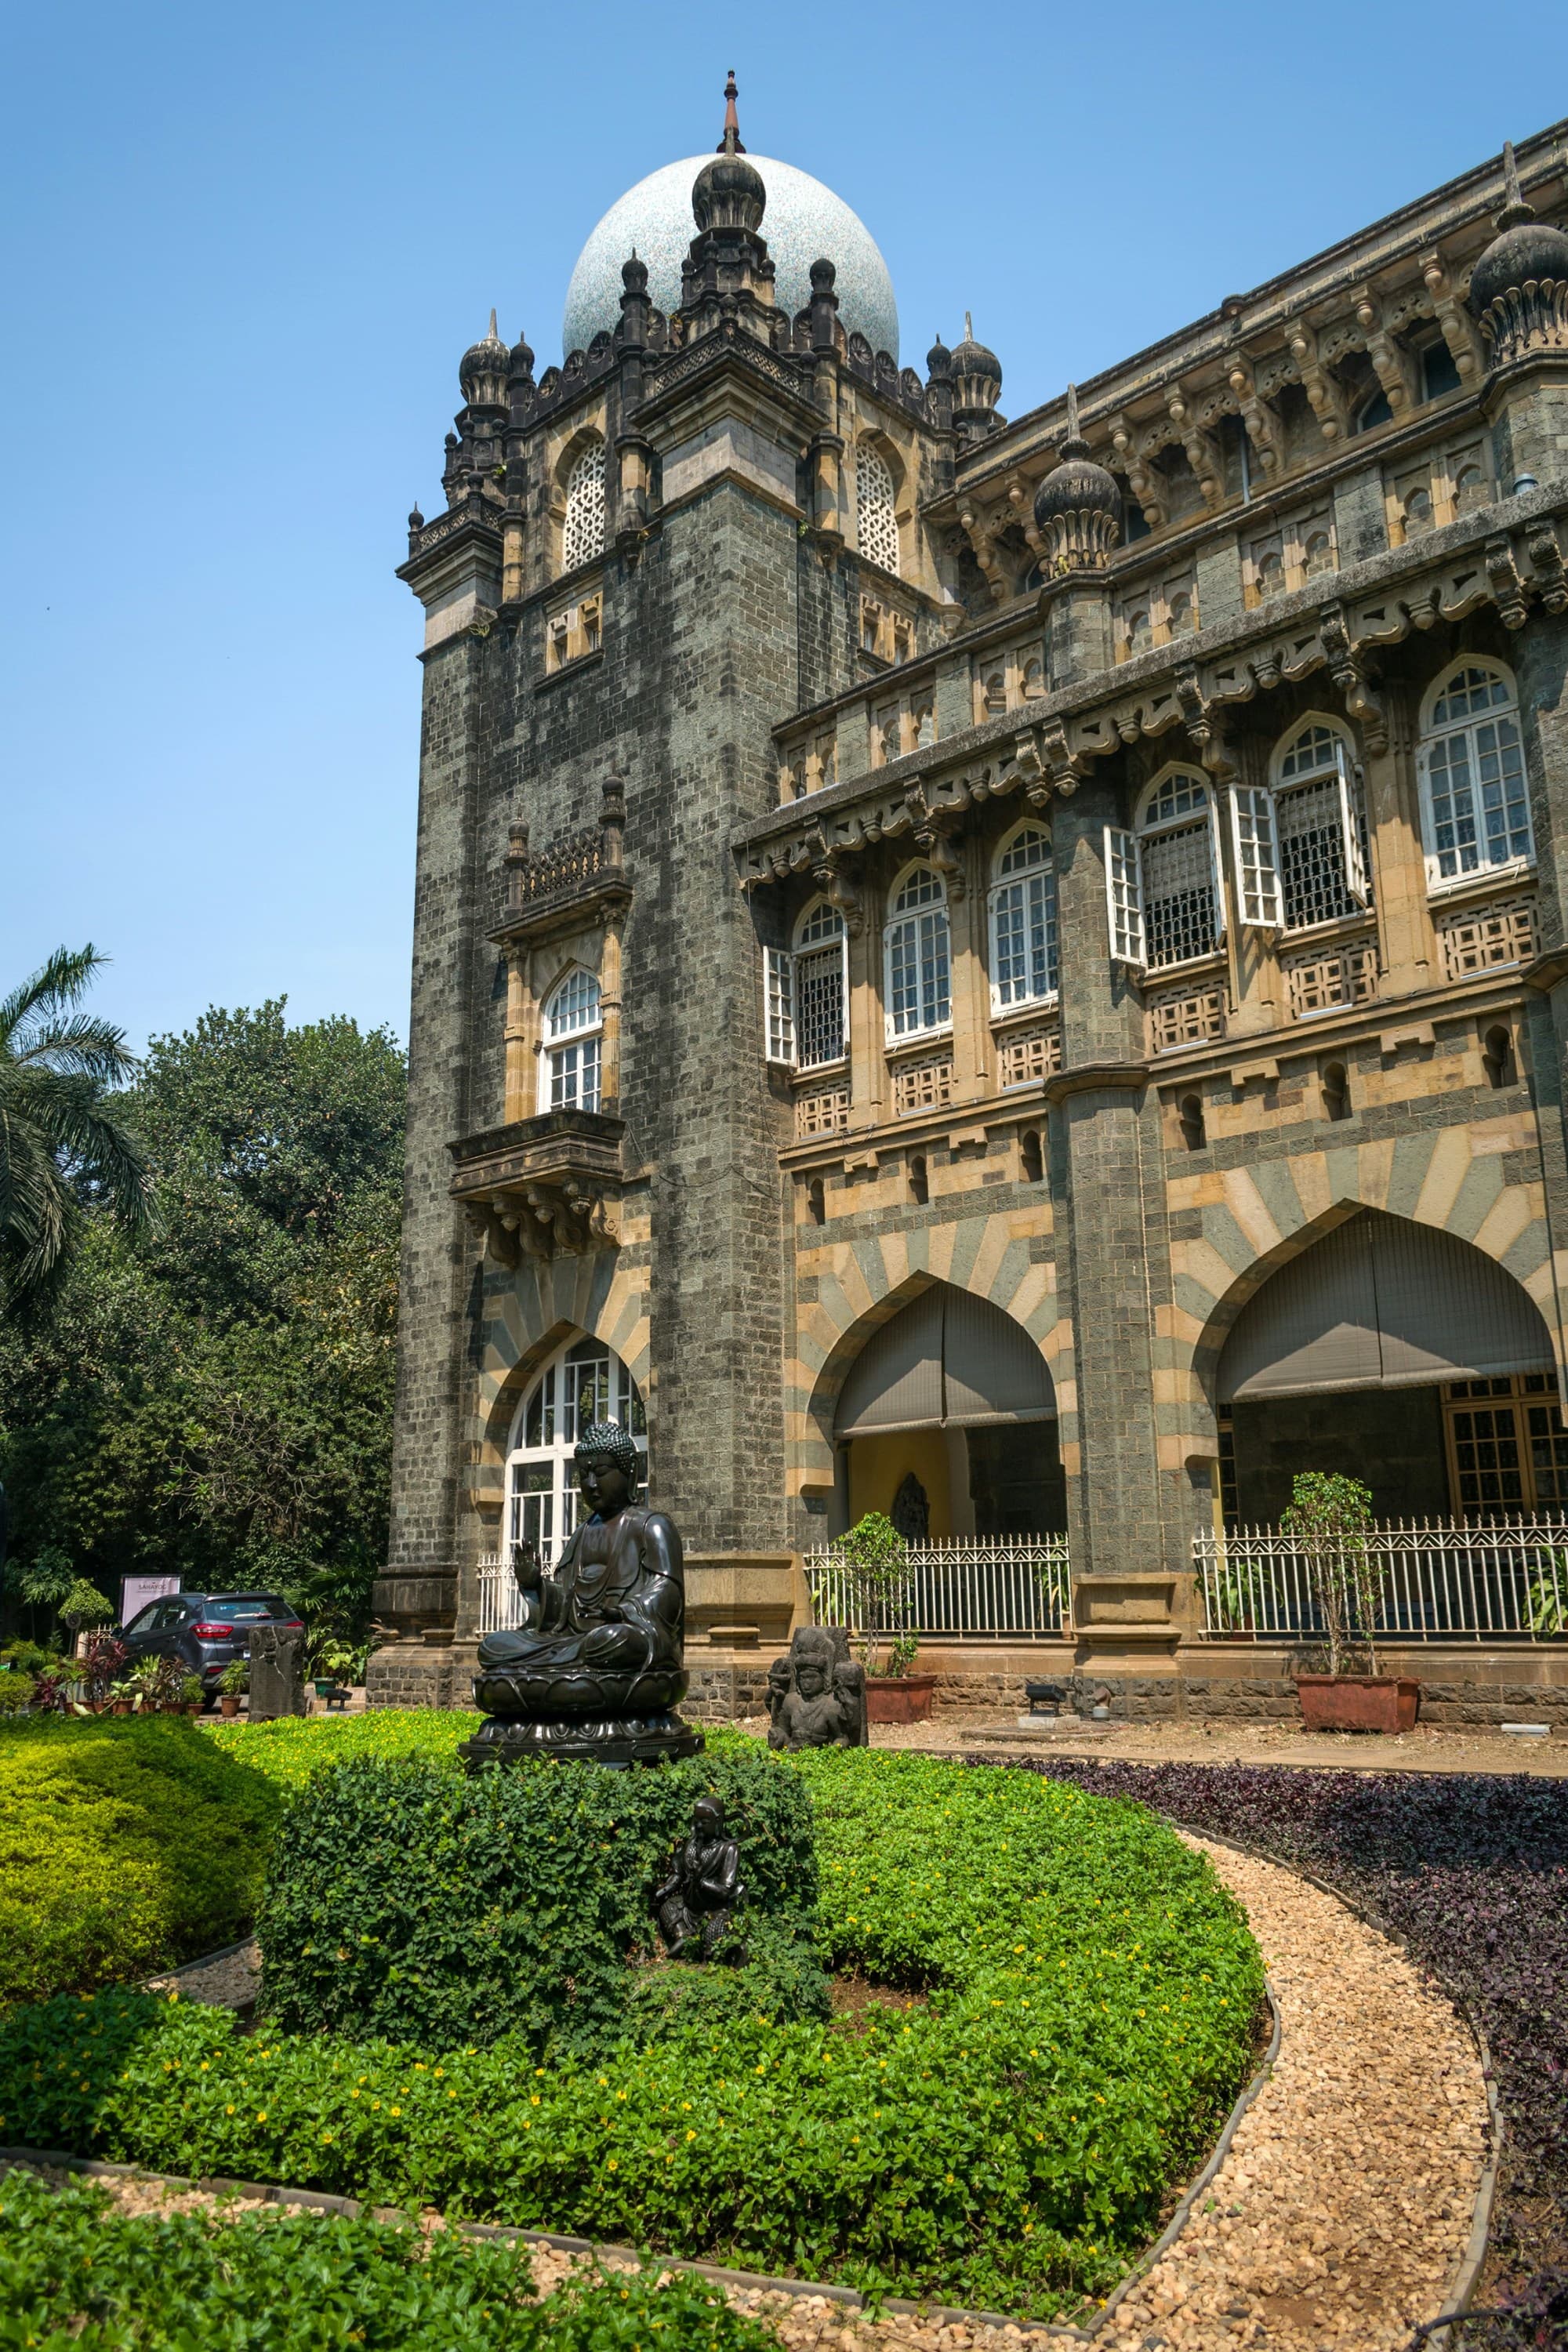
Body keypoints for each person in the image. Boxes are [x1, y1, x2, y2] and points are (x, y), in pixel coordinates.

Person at [476, 1421, 684, 1687]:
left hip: (623, 1635)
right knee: (492, 1645)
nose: (591, 1483)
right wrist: (536, 1586)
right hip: (572, 1640)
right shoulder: (582, 1534)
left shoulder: (651, 1526)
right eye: (584, 1474)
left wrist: (624, 1611)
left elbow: (668, 1593)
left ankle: (551, 1667)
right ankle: (559, 1665)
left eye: (601, 1472)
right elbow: (565, 1602)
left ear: (629, 1470)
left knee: (613, 1640)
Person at [652, 1795, 746, 1959]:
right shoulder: (692, 1844)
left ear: (718, 1821)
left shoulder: (728, 1850)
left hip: (714, 1911)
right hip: (690, 1908)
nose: (699, 1826)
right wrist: (666, 1888)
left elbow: (725, 1890)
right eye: (697, 1821)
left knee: (716, 1929)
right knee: (669, 1906)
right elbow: (679, 1874)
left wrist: (701, 1881)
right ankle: (683, 1936)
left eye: (705, 1822)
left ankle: (710, 1953)